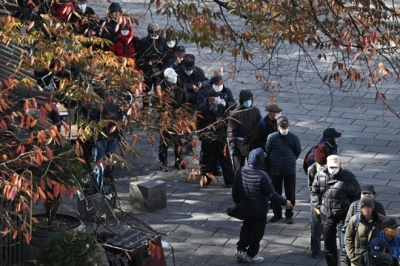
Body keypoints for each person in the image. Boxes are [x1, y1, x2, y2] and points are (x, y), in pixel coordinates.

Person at [232, 148, 293, 263]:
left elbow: (235, 189)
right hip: (259, 211)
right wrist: (285, 202)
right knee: (257, 233)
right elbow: (271, 195)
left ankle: (241, 250)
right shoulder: (262, 175)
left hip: (245, 208)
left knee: (246, 228)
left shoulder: (241, 171)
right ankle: (251, 254)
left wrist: (237, 202)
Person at [311, 155, 361, 266]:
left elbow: (356, 195)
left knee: (344, 245)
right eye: (331, 167)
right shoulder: (320, 175)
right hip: (326, 215)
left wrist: (351, 212)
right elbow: (314, 191)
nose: (333, 169)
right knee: (329, 245)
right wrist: (318, 206)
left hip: (343, 215)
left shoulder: (348, 177)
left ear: (340, 165)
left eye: (335, 166)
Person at [265, 116, 301, 224]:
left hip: (289, 170)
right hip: (276, 171)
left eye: (286, 126)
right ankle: (277, 214)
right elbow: (267, 151)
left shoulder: (294, 138)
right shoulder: (271, 138)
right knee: (276, 193)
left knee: (290, 193)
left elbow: (297, 151)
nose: (285, 128)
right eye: (282, 127)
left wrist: (290, 160)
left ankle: (289, 214)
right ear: (278, 127)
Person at [341, 184, 387, 265]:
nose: (366, 209)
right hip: (358, 256)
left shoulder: (380, 216)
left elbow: (386, 233)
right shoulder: (354, 215)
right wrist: (352, 257)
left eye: (369, 194)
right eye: (363, 193)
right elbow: (347, 236)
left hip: (375, 255)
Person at [196, 89, 234, 187]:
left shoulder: (222, 107)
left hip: (221, 138)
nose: (218, 99)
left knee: (226, 160)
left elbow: (226, 121)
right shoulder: (202, 108)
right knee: (206, 160)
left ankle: (230, 181)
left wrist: (225, 135)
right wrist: (201, 136)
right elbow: (199, 124)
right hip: (208, 138)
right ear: (210, 98)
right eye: (216, 97)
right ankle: (205, 181)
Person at [155, 68, 188, 171]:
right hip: (166, 118)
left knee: (179, 141)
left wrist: (183, 115)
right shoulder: (160, 88)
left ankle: (178, 162)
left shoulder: (181, 86)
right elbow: (156, 104)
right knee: (164, 142)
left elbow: (185, 101)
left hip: (178, 118)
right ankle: (163, 164)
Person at [227, 89, 262, 176]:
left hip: (252, 143)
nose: (248, 102)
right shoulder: (235, 114)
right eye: (245, 101)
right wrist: (233, 146)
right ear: (241, 101)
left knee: (253, 168)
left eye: (249, 100)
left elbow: (260, 125)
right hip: (239, 144)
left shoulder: (256, 111)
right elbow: (231, 131)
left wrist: (252, 135)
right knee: (238, 170)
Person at [135, 22, 167, 109]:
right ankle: (145, 107)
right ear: (148, 32)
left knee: (159, 90)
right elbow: (139, 57)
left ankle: (159, 107)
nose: (154, 34)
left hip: (159, 71)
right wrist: (144, 65)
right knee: (145, 90)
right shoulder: (143, 42)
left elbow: (166, 56)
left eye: (156, 32)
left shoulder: (163, 41)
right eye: (152, 32)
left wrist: (163, 67)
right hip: (147, 70)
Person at [307, 144, 330, 258]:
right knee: (315, 227)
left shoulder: (330, 169)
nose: (321, 167)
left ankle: (328, 249)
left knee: (328, 227)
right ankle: (315, 249)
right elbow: (310, 188)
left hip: (328, 202)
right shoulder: (311, 169)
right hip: (316, 202)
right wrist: (316, 204)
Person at [248, 102, 282, 177]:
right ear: (270, 113)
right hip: (266, 155)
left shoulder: (279, 122)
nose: (279, 114)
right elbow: (255, 140)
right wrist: (266, 148)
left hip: (276, 155)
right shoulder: (261, 124)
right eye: (277, 112)